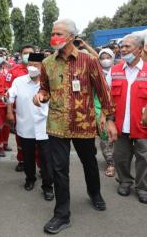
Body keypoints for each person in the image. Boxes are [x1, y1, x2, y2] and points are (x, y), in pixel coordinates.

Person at [34, 19, 117, 234]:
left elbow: (102, 90)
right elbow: (44, 88)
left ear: (71, 36)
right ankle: (62, 214)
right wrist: (41, 96)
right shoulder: (47, 63)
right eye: (52, 33)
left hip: (84, 124)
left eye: (58, 33)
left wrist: (109, 119)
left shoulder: (89, 61)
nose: (54, 37)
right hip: (57, 125)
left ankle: (95, 192)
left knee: (89, 162)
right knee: (59, 169)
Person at [6, 53, 54, 201]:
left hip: (45, 128)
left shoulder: (49, 82)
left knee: (46, 159)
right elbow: (10, 96)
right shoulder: (19, 81)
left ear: (43, 67)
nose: (32, 67)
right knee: (28, 156)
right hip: (25, 125)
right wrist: (9, 112)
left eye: (36, 65)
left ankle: (47, 186)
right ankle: (30, 179)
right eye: (30, 64)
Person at [111, 34, 147, 204]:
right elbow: (107, 98)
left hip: (143, 125)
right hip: (120, 124)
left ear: (140, 49)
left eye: (128, 47)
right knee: (120, 156)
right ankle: (125, 181)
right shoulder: (115, 70)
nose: (123, 50)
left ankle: (143, 187)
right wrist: (108, 119)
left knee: (144, 158)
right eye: (122, 46)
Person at [5, 45, 39, 171]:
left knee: (39, 140)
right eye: (25, 53)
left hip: (38, 112)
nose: (28, 55)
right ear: (20, 54)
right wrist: (9, 112)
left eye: (31, 53)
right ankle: (22, 160)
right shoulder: (13, 72)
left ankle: (40, 163)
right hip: (20, 111)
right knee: (21, 138)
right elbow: (7, 92)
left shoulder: (42, 70)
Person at [95, 48, 116, 177]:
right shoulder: (97, 73)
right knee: (105, 137)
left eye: (108, 57)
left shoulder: (119, 71)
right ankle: (111, 163)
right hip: (101, 109)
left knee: (120, 138)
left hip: (120, 107)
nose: (105, 60)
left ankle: (121, 160)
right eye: (102, 58)